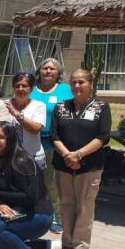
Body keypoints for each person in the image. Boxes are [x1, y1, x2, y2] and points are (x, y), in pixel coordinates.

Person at [0, 122, 60, 249]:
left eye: (1, 137)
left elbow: (31, 197)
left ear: (10, 139)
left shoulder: (22, 161)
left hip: (37, 214)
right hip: (17, 211)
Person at [50, 69, 111, 249]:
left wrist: (78, 155)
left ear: (91, 84)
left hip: (90, 166)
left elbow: (103, 137)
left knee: (85, 205)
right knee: (66, 203)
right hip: (63, 164)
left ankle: (80, 244)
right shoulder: (61, 107)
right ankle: (67, 241)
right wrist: (67, 155)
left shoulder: (102, 107)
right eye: (74, 82)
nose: (77, 86)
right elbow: (54, 135)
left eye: (81, 82)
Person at [30, 58, 73, 234]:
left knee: (52, 182)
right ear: (39, 71)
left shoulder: (65, 90)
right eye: (45, 68)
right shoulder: (31, 90)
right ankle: (33, 213)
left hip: (54, 143)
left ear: (58, 72)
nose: (48, 71)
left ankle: (58, 217)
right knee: (32, 180)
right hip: (30, 141)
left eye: (52, 69)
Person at [4, 73, 46, 168]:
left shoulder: (39, 105)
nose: (20, 89)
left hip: (33, 157)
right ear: (13, 88)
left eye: (24, 86)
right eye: (17, 86)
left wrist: (16, 114)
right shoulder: (4, 105)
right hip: (9, 156)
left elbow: (35, 129)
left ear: (31, 89)